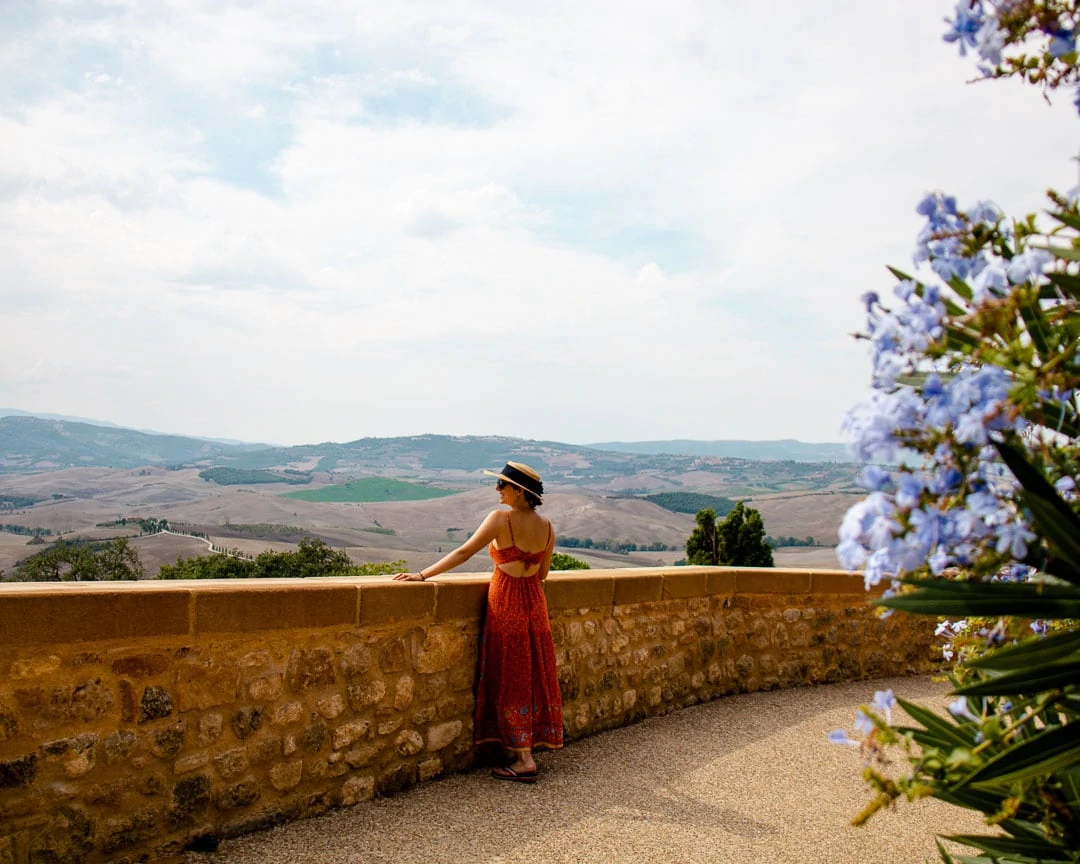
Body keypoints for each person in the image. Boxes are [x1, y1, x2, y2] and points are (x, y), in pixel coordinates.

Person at [394, 461, 564, 783]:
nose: (497, 490)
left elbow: (464, 552)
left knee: (509, 674)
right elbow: (542, 574)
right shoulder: (548, 526)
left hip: (508, 601)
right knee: (530, 673)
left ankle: (524, 758)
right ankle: (524, 747)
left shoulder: (501, 519)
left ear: (519, 491)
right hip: (534, 603)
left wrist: (422, 574)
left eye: (502, 485)